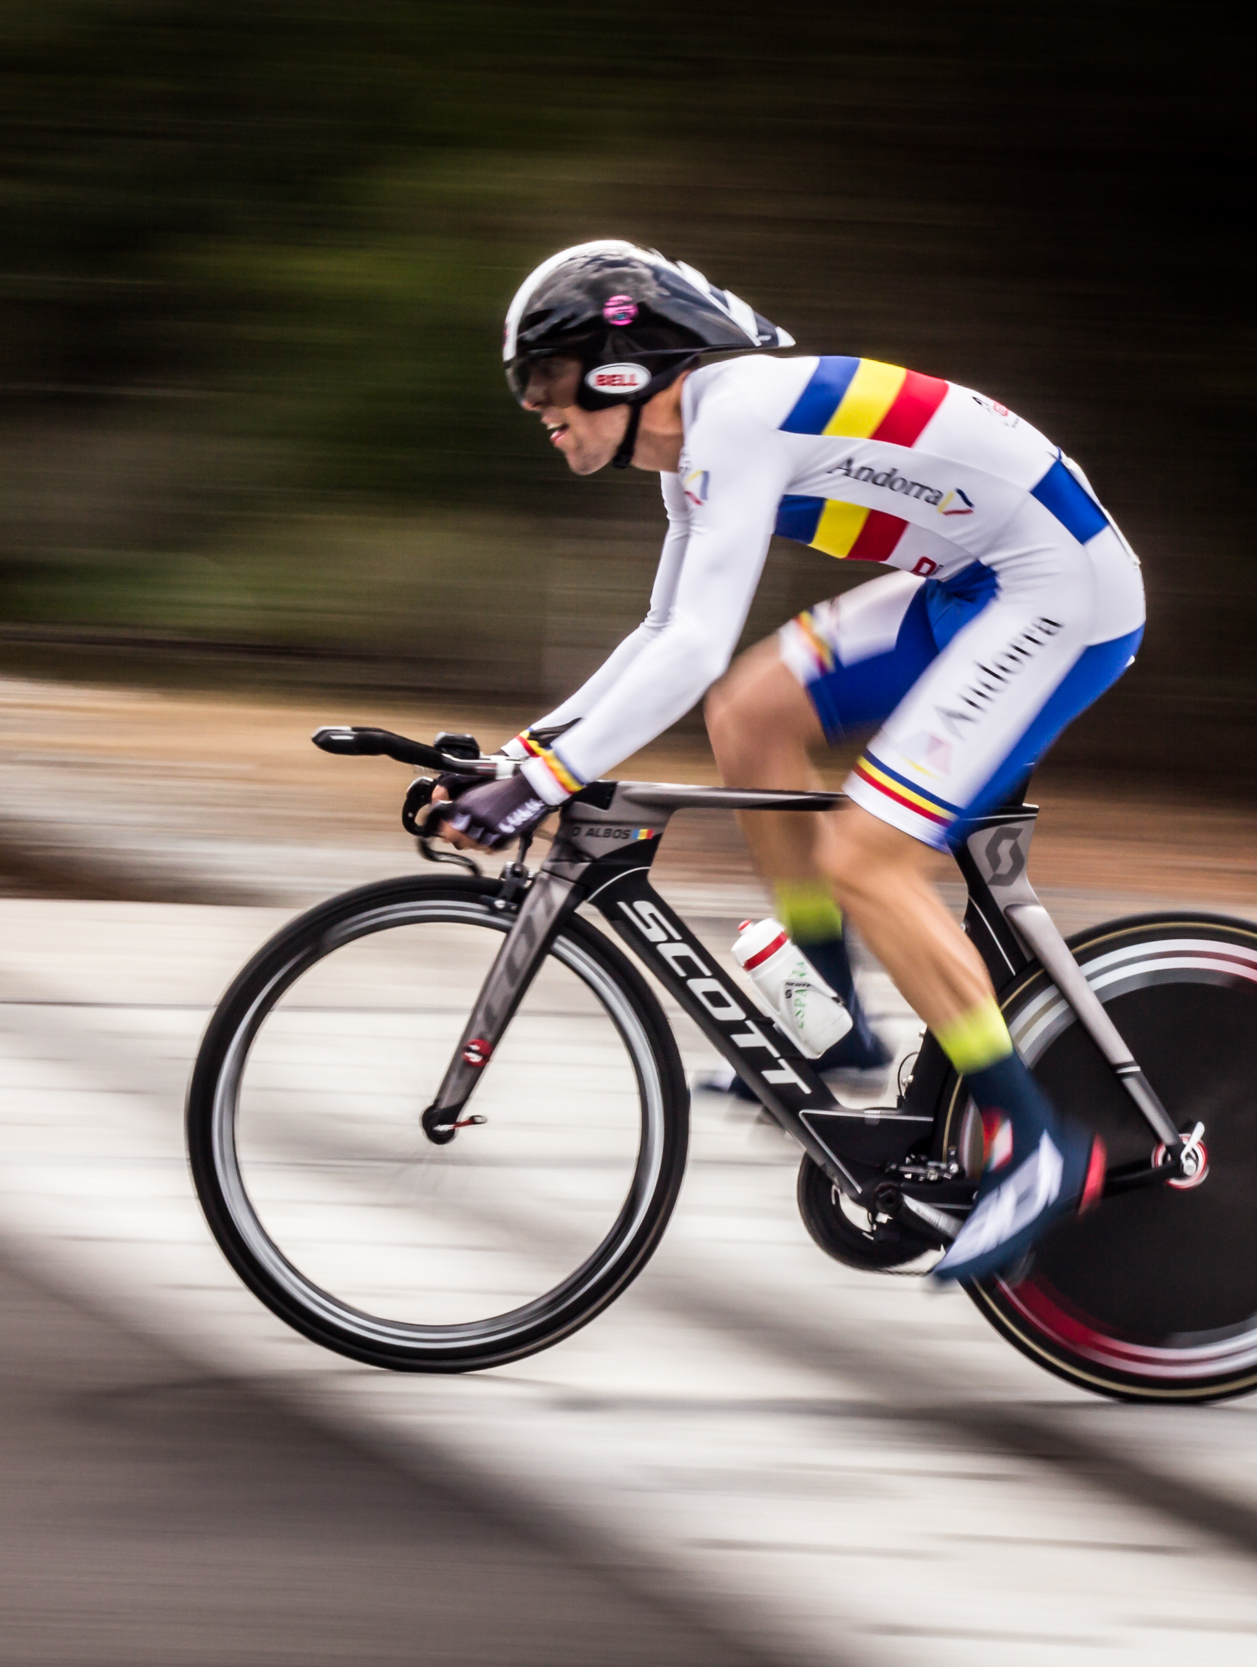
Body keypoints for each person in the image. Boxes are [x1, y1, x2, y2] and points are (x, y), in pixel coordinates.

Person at [438, 241, 1147, 1284]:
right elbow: (664, 634)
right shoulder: (693, 452)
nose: (536, 407)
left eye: (547, 380)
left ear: (623, 370)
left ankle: (1038, 1150)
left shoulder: (735, 417)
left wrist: (535, 782)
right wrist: (522, 759)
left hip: (1055, 590)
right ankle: (834, 1019)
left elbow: (688, 644)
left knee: (866, 859)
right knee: (750, 709)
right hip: (973, 581)